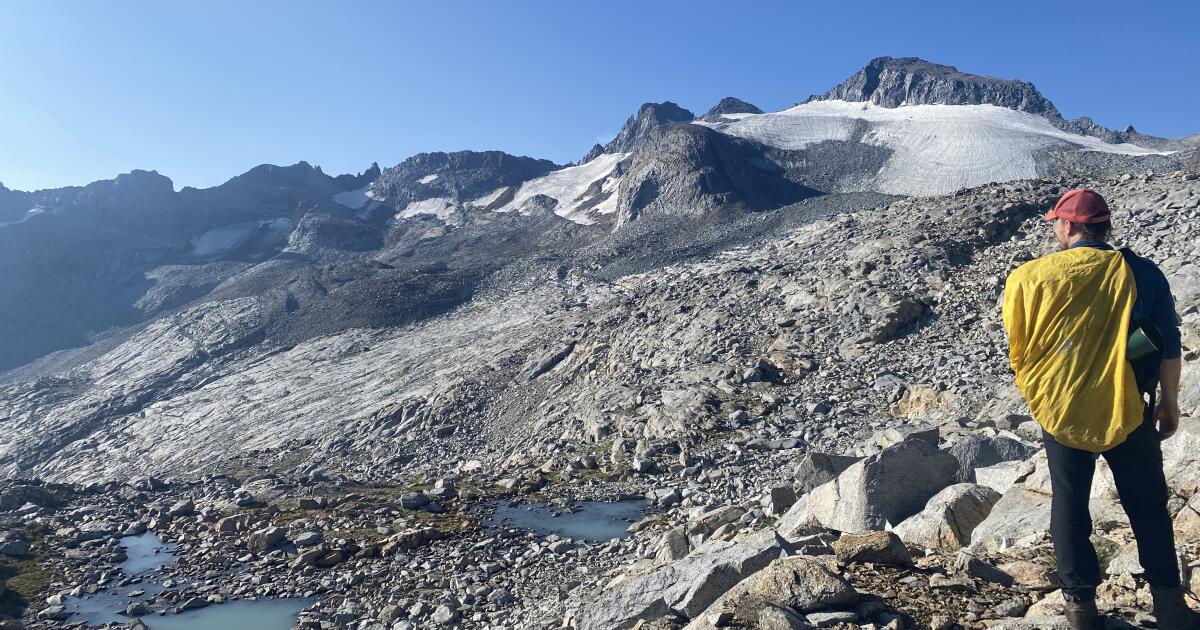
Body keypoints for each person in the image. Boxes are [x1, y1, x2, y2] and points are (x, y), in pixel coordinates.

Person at [1002, 188, 1198, 630]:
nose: (1054, 228)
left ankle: (1080, 609)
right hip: (1128, 406)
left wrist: (1043, 396)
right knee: (1147, 503)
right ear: (1104, 226)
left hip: (1061, 408)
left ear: (1068, 226)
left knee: (1071, 504)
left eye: (1057, 222)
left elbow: (1022, 348)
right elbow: (1167, 343)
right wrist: (1169, 404)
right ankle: (1168, 604)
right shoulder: (1142, 272)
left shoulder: (1028, 278)